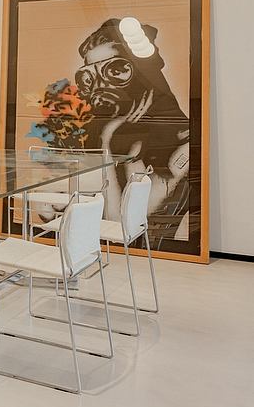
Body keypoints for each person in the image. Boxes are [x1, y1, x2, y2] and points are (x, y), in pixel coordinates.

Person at [73, 18, 191, 245]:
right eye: (89, 78)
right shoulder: (106, 137)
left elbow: (121, 226)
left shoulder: (182, 147)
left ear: (143, 73)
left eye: (116, 70)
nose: (101, 87)